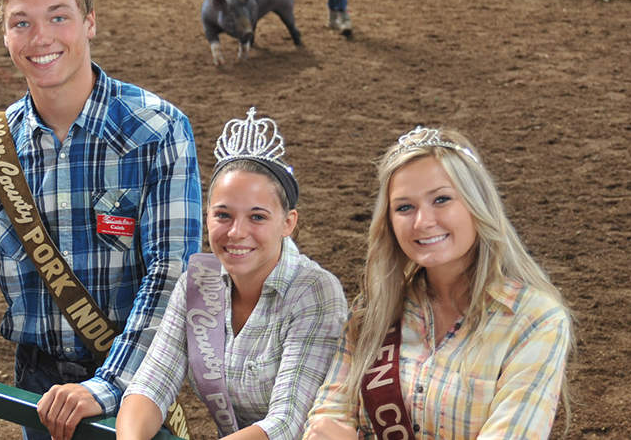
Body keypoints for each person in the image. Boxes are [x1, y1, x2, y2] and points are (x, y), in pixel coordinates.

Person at [0, 0, 203, 440]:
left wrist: (108, 384)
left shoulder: (157, 129)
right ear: (6, 36)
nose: (42, 37)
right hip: (37, 386)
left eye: (58, 16)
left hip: (136, 382)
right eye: (21, 23)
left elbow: (173, 273)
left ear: (89, 22)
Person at [303, 126, 574, 439]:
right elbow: (327, 419)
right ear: (389, 222)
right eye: (404, 207)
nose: (423, 222)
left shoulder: (534, 320)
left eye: (442, 199)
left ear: (477, 205)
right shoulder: (374, 310)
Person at [116, 108, 347, 440]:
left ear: (288, 223)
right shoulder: (196, 282)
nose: (237, 232)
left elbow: (288, 422)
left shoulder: (315, 291)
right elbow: (151, 383)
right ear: (207, 217)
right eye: (223, 215)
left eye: (257, 217)